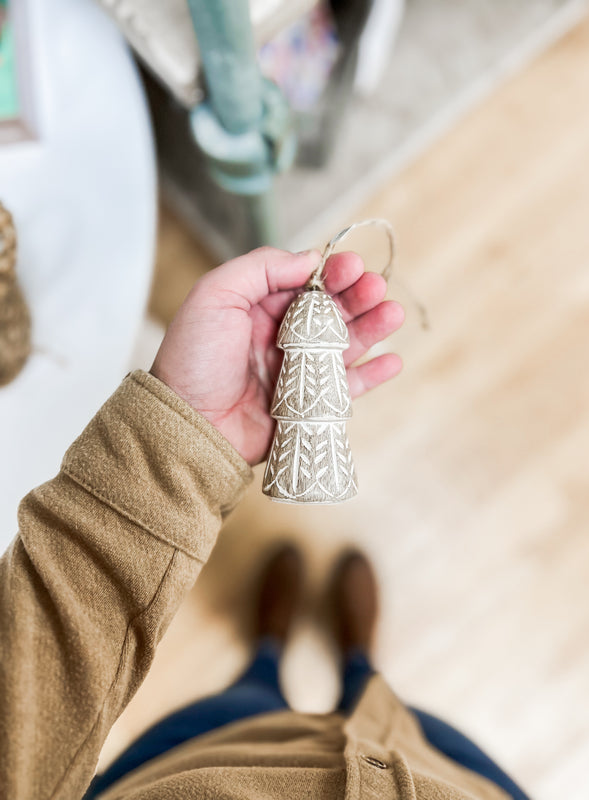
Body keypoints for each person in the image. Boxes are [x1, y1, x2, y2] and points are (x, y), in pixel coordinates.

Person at [0, 247, 529, 800]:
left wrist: (177, 439)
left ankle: (270, 653)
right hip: (435, 766)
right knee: (381, 698)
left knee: (248, 697)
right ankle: (357, 663)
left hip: (201, 756)